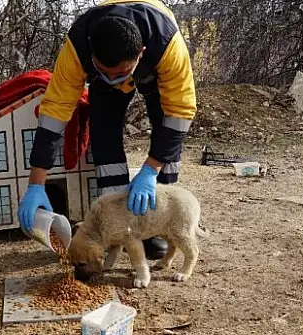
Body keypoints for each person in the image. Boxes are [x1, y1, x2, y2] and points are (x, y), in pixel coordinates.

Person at [17, 0, 196, 260]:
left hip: (154, 73)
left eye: (120, 73)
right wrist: (36, 184)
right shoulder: (78, 46)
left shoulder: (167, 43)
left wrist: (150, 169)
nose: (114, 80)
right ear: (92, 56)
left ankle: (156, 225)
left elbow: (180, 111)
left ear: (141, 54)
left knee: (165, 125)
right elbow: (54, 113)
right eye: (105, 72)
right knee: (102, 130)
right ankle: (118, 226)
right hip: (106, 64)